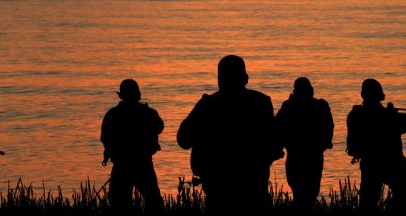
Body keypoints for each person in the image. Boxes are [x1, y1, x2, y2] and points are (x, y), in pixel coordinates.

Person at [177, 55, 282, 214]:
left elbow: (183, 140)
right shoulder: (261, 102)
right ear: (245, 78)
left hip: (219, 183)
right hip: (252, 182)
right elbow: (274, 140)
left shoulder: (208, 105)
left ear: (219, 79)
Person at [345, 79, 406, 214]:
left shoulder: (356, 115)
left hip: (370, 163)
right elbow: (390, 131)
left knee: (369, 202)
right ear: (380, 95)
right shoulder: (384, 115)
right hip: (388, 163)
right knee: (405, 188)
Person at [100, 79, 165, 214]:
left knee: (119, 204)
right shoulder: (148, 113)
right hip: (143, 164)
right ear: (138, 94)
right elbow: (159, 127)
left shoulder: (112, 115)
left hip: (121, 165)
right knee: (154, 201)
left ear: (120, 96)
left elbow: (105, 138)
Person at [275, 77, 334, 210]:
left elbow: (277, 129)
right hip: (309, 155)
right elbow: (328, 128)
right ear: (311, 90)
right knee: (308, 190)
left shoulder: (289, 106)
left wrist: (278, 147)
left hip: (301, 154)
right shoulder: (319, 106)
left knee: (302, 190)